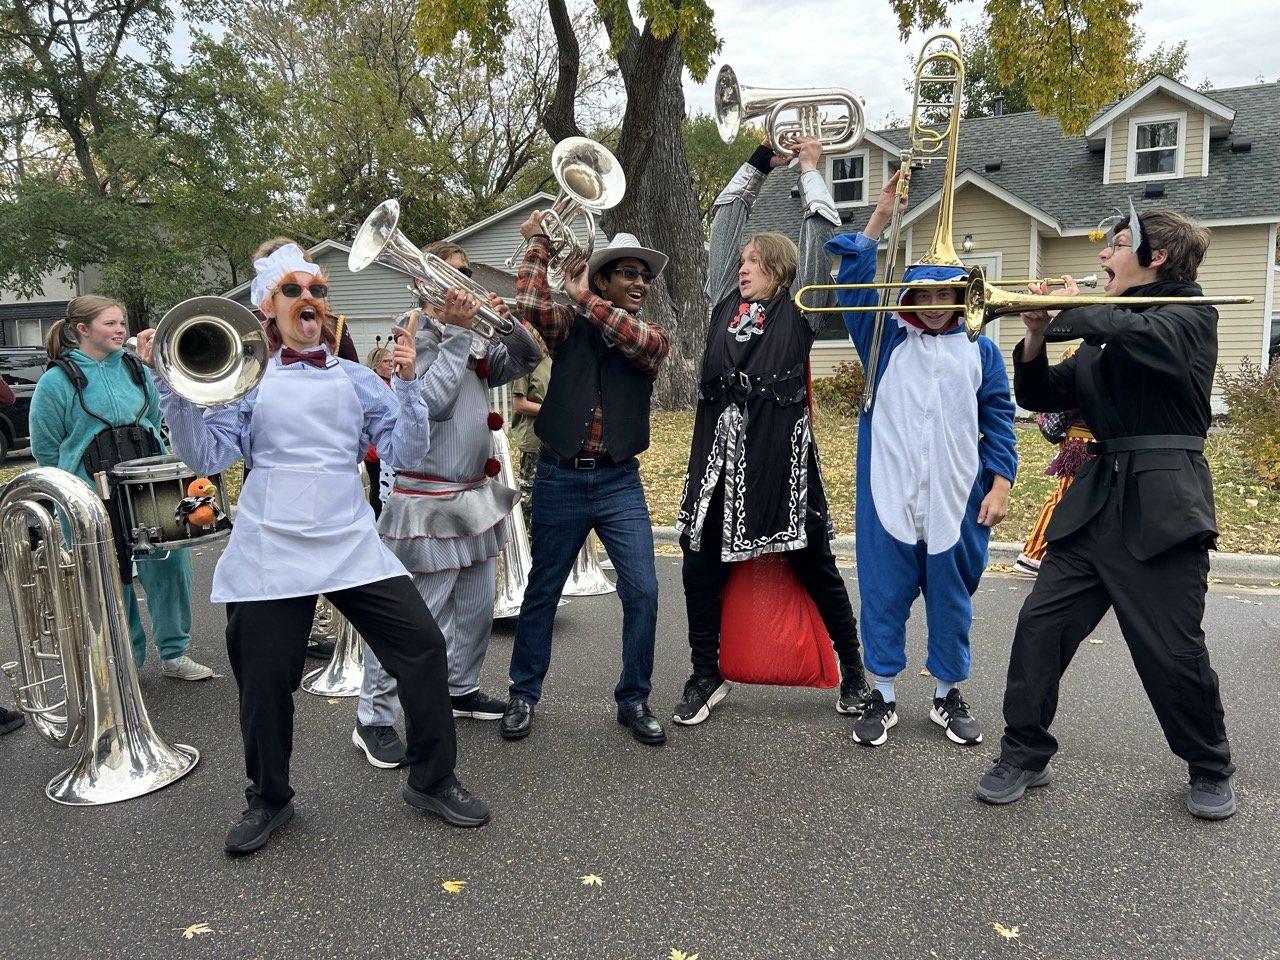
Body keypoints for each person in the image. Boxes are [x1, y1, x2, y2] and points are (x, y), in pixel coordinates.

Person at [140, 241, 491, 854]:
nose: (310, 299)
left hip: (349, 541)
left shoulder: (359, 378)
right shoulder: (244, 384)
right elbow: (207, 457)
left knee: (422, 647)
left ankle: (433, 779)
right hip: (270, 545)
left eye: (319, 291)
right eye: (294, 290)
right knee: (265, 682)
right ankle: (269, 798)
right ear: (266, 308)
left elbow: (406, 455)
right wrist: (172, 387)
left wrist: (406, 386)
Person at [976, 208, 1237, 820]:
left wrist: (1071, 310)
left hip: (1163, 507)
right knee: (1039, 630)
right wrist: (1037, 333)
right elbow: (1042, 396)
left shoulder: (1192, 316)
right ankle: (1024, 750)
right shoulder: (1103, 331)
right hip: (1092, 505)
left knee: (1171, 653)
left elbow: (1149, 342)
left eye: (1117, 245)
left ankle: (1209, 763)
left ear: (1157, 258)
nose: (1101, 257)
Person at [672, 136, 870, 727]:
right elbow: (724, 224)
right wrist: (761, 160)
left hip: (778, 463)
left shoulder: (800, 304)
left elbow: (816, 238)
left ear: (779, 270)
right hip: (714, 461)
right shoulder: (722, 304)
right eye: (742, 263)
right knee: (698, 562)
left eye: (753, 261)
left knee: (815, 566)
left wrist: (811, 170)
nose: (742, 266)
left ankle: (854, 672)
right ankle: (705, 673)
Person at [826, 172, 1017, 748]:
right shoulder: (882, 341)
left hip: (958, 496)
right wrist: (881, 215)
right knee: (883, 596)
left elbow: (1000, 419)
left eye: (947, 295)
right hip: (890, 495)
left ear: (963, 296)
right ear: (907, 298)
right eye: (924, 296)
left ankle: (946, 695)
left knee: (952, 601)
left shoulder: (981, 348)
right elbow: (853, 276)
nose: (935, 307)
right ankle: (881, 696)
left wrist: (1002, 482)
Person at [354, 240, 540, 768]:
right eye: (454, 274)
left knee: (477, 608)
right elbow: (430, 405)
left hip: (474, 496)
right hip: (426, 502)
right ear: (425, 283)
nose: (466, 284)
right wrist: (460, 332)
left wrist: (508, 323)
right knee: (416, 619)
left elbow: (525, 358)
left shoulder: (471, 335)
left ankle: (460, 688)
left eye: (467, 273)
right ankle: (373, 717)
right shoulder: (409, 335)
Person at [501, 219, 670, 746]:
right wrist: (538, 241)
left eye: (645, 276)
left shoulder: (649, 336)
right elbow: (528, 302)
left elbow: (640, 342)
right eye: (627, 273)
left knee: (642, 589)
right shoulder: (568, 324)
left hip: (620, 480)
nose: (640, 283)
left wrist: (587, 300)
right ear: (602, 279)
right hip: (559, 476)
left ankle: (634, 698)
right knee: (543, 589)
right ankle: (523, 694)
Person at [29, 295, 212, 681]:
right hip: (90, 496)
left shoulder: (135, 369)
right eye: (110, 323)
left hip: (148, 490)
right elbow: (46, 449)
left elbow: (152, 420)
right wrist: (73, 495)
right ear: (83, 329)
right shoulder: (56, 381)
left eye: (121, 323)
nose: (120, 330)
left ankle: (174, 655)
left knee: (171, 566)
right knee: (111, 578)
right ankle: (126, 660)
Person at [1016, 372, 1096, 577]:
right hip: (1081, 440)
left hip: (1089, 439)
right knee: (1065, 498)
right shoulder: (1085, 360)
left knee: (1081, 499)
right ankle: (1033, 554)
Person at [509, 322, 551, 530]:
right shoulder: (526, 364)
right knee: (529, 494)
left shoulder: (552, 360)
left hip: (554, 438)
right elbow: (519, 404)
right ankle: (525, 538)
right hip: (533, 439)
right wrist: (551, 411)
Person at [361, 344, 394, 519]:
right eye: (386, 361)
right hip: (375, 447)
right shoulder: (372, 385)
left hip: (389, 444)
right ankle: (378, 519)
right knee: (377, 485)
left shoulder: (394, 382)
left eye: (392, 361)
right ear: (375, 365)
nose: (391, 365)